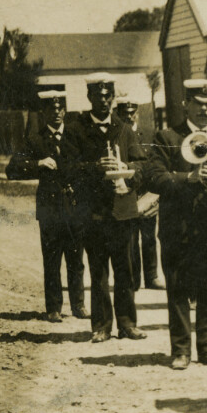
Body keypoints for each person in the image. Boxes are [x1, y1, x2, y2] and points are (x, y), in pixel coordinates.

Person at [142, 80, 207, 370]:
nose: (204, 110)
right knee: (179, 289)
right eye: (198, 103)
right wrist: (187, 179)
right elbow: (153, 178)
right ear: (186, 104)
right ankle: (181, 350)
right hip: (178, 229)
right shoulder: (167, 137)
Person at [63, 74, 149, 343]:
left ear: (113, 97)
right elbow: (67, 169)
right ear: (89, 97)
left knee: (125, 270)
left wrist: (128, 173)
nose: (103, 100)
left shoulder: (124, 128)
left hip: (122, 211)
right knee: (99, 270)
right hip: (94, 213)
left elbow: (141, 164)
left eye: (108, 95)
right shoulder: (75, 129)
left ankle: (127, 323)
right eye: (98, 95)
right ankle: (101, 326)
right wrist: (93, 169)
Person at [6, 89, 87, 322]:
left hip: (74, 206)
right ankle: (53, 308)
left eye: (61, 108)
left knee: (76, 259)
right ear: (44, 112)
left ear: (65, 110)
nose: (57, 113)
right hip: (50, 209)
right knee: (52, 260)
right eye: (52, 109)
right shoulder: (35, 139)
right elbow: (12, 169)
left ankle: (78, 305)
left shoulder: (74, 136)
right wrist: (38, 163)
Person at [114, 97, 162, 292]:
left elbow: (154, 163)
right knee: (131, 237)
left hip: (147, 192)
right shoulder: (117, 136)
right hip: (128, 192)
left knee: (149, 236)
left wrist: (154, 195)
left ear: (137, 114)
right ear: (119, 115)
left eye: (132, 113)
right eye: (125, 114)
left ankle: (152, 277)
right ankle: (134, 279)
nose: (130, 117)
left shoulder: (149, 135)